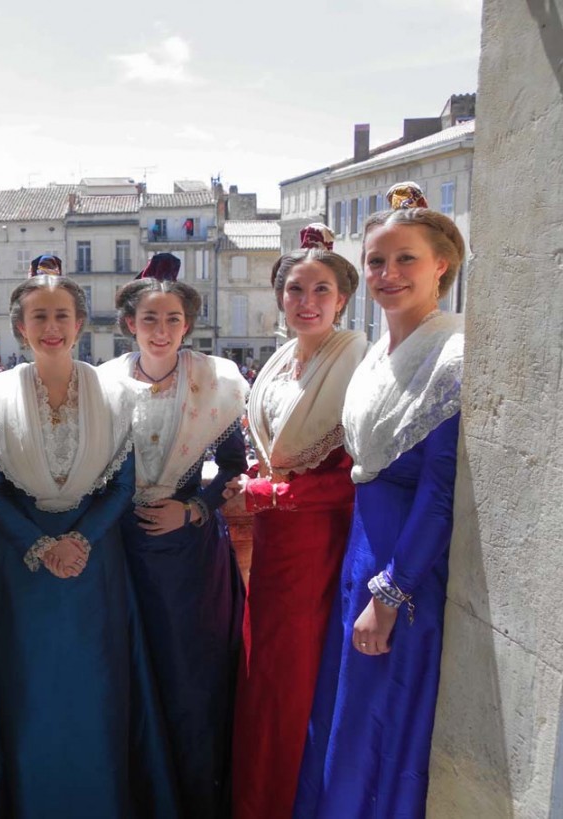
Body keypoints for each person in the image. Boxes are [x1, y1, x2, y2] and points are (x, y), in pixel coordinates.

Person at [0, 267, 179, 819]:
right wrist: (41, 547)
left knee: (95, 698)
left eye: (61, 314)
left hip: (95, 571)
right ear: (20, 327)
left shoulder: (117, 393)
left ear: (81, 323)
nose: (51, 326)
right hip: (19, 574)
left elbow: (123, 486)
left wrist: (80, 542)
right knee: (28, 700)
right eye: (38, 316)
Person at [294, 183, 465, 817]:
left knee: (381, 726)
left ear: (441, 265)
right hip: (358, 558)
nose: (387, 274)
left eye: (405, 259)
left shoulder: (453, 354)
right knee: (347, 718)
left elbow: (440, 494)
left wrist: (390, 594)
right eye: (376, 261)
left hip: (400, 570)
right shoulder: (374, 356)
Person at [223, 224, 367, 819]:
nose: (307, 302)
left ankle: (284, 801)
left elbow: (357, 480)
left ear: (342, 299)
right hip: (273, 544)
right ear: (279, 297)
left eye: (322, 290)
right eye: (295, 290)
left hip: (316, 545)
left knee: (293, 675)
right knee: (263, 672)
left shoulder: (356, 361)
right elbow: (268, 452)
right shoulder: (282, 361)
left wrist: (267, 494)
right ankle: (254, 793)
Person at [101, 252, 248, 818]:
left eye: (172, 320)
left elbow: (234, 463)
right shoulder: (103, 383)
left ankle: (196, 792)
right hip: (123, 549)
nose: (161, 331)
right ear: (130, 325)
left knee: (191, 675)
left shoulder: (216, 381)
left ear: (187, 325)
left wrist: (192, 509)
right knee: (133, 672)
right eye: (149, 320)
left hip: (189, 557)